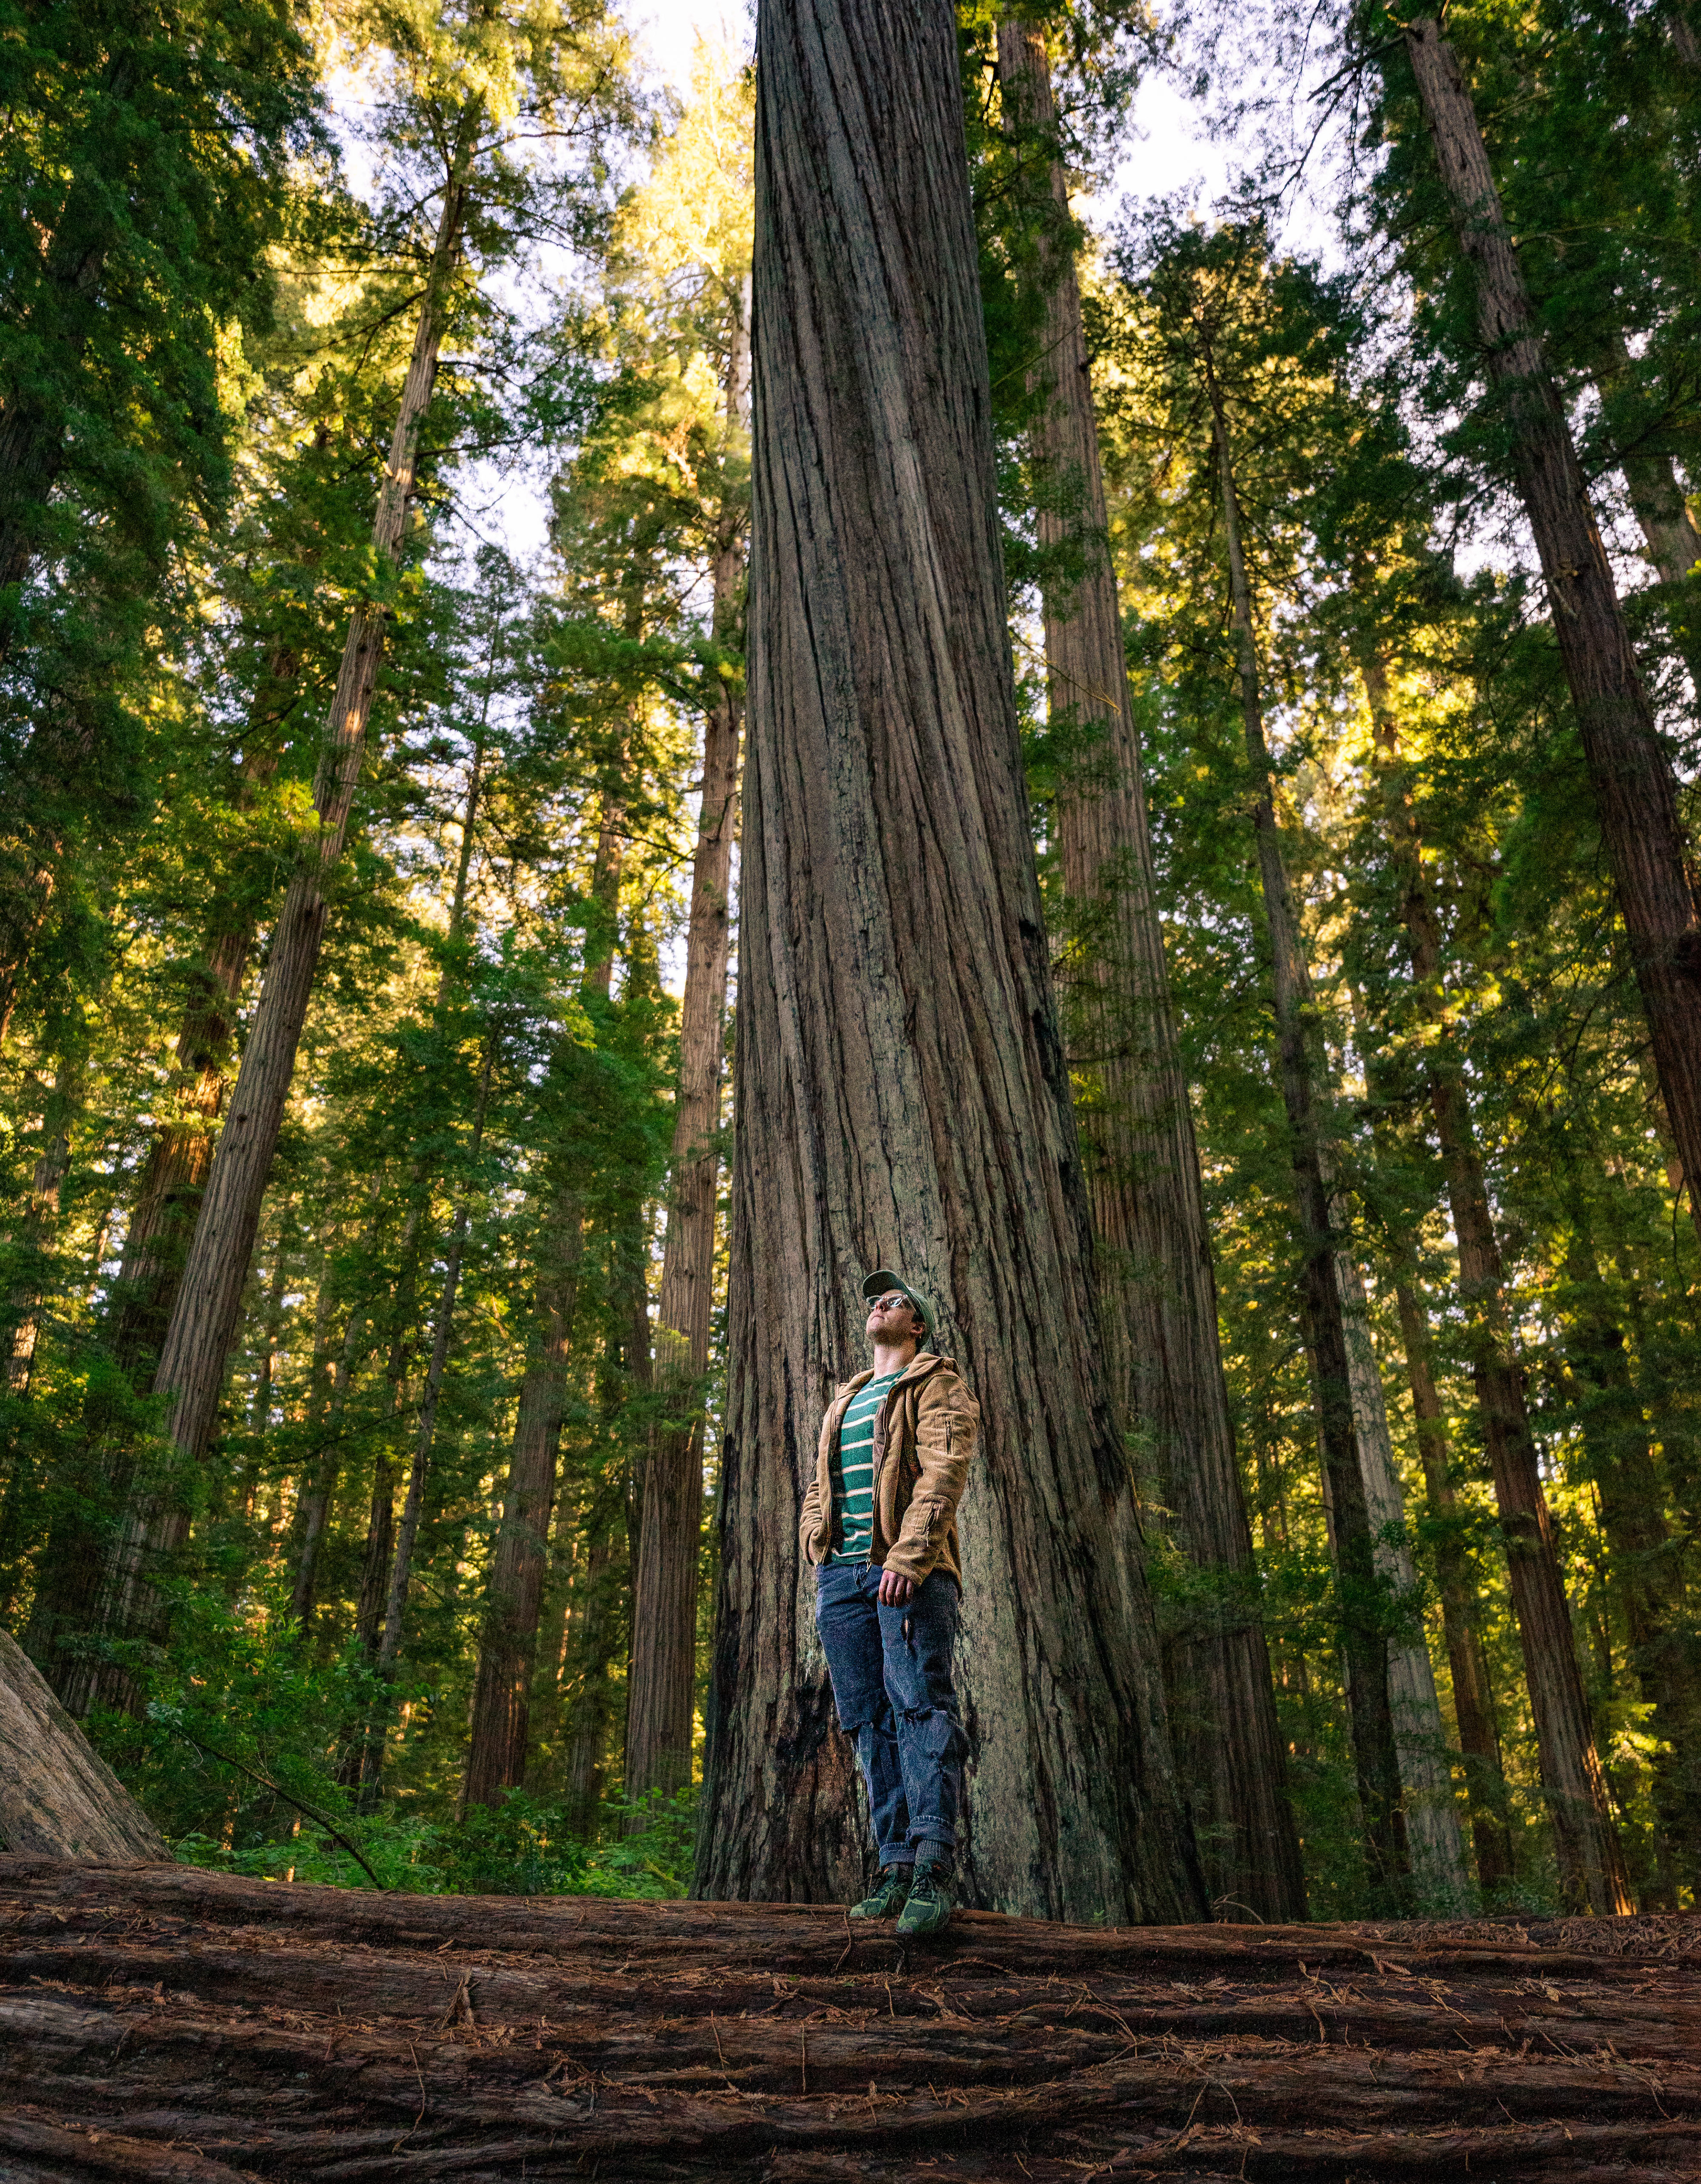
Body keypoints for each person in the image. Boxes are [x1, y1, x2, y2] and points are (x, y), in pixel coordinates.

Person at [800, 1268, 979, 1937]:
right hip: (840, 1580)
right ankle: (895, 1865)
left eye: (895, 1299)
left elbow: (944, 1472)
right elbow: (820, 1485)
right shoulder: (844, 1399)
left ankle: (933, 1866)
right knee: (868, 1721)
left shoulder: (937, 1383)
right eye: (874, 1299)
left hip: (905, 1570)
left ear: (918, 1325)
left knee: (921, 1703)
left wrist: (909, 1554)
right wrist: (816, 1545)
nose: (879, 1304)